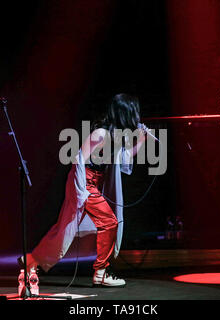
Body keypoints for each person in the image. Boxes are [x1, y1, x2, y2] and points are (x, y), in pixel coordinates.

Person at [19, 93, 148, 287]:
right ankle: (101, 272)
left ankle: (31, 261)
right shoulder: (101, 134)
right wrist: (81, 193)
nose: (138, 117)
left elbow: (123, 158)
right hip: (84, 183)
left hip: (93, 184)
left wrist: (141, 140)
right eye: (135, 113)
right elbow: (78, 159)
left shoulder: (114, 136)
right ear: (126, 113)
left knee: (63, 231)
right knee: (109, 222)